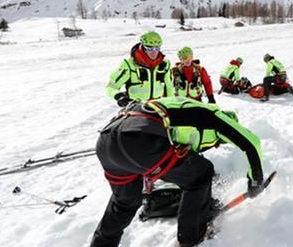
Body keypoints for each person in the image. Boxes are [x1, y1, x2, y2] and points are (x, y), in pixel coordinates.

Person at [90, 97, 265, 247]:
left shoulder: (185, 113)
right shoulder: (211, 115)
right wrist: (256, 180)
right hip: (138, 139)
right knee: (202, 174)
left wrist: (203, 204)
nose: (217, 143)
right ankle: (192, 240)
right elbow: (251, 142)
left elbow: (179, 169)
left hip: (107, 143)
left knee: (124, 203)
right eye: (220, 140)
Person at [106, 31, 173, 107]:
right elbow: (111, 87)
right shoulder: (129, 64)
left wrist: (170, 105)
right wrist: (119, 96)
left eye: (157, 48)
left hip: (157, 107)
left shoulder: (164, 64)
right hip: (135, 107)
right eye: (150, 48)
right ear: (143, 47)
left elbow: (169, 87)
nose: (154, 52)